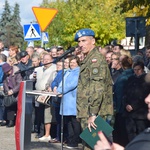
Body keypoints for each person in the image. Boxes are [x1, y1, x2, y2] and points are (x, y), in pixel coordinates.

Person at [75, 28, 113, 150]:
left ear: (93, 41)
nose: (81, 44)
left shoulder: (95, 60)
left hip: (93, 111)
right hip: (86, 110)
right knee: (90, 144)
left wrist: (93, 113)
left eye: (84, 41)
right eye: (79, 41)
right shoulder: (88, 59)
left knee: (94, 146)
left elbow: (97, 88)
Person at [57, 55, 81, 149]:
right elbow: (62, 83)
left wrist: (61, 91)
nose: (72, 64)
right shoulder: (68, 72)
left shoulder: (77, 72)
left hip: (72, 100)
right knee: (68, 122)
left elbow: (72, 84)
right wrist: (58, 90)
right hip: (66, 100)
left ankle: (74, 141)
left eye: (74, 63)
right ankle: (70, 141)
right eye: (71, 63)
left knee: (74, 122)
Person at [123, 61, 149, 142]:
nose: (137, 72)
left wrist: (133, 106)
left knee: (141, 135)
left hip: (140, 114)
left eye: (139, 69)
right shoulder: (131, 79)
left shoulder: (146, 80)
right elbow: (125, 93)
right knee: (131, 135)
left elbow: (143, 96)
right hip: (130, 114)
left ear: (142, 69)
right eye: (135, 69)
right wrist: (126, 104)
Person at [2, 63, 22, 127]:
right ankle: (10, 121)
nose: (7, 73)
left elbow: (19, 84)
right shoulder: (5, 74)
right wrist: (8, 91)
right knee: (9, 106)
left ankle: (18, 122)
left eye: (8, 71)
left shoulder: (17, 73)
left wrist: (13, 91)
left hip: (17, 92)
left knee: (18, 107)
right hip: (9, 92)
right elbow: (4, 82)